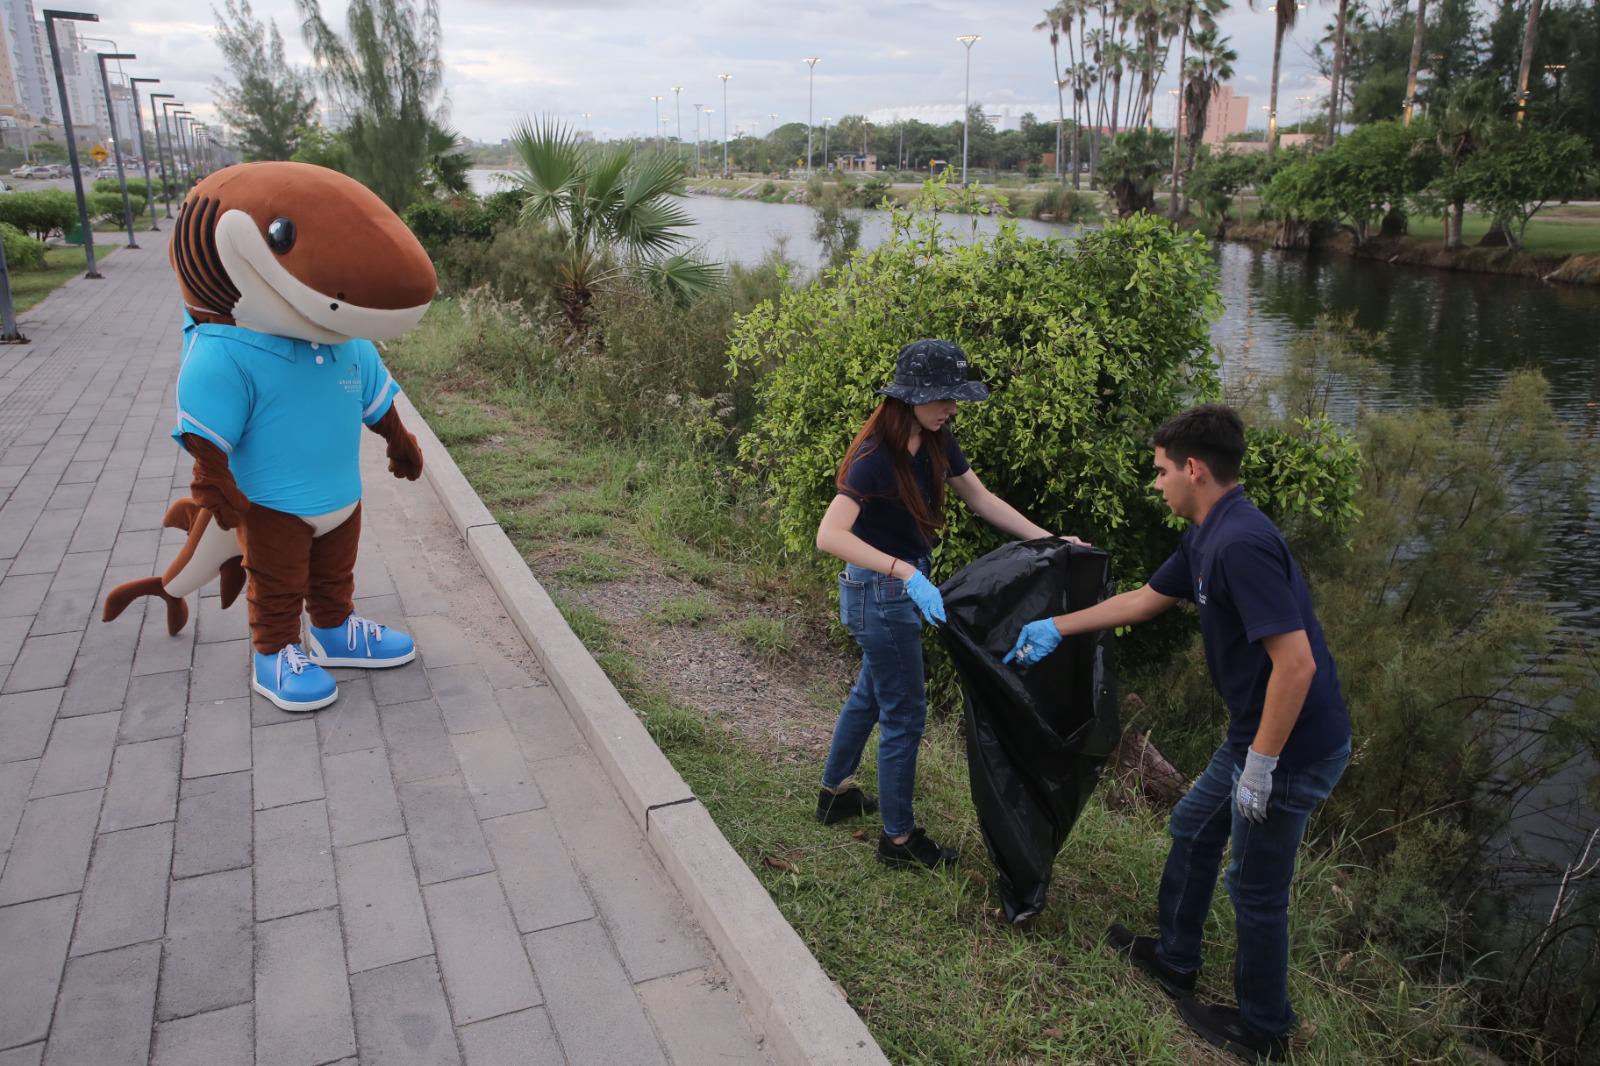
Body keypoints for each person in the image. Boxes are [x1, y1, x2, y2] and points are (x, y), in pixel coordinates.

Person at [1004, 404, 1351, 1064]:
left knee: (1254, 886)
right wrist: (1057, 628)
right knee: (1193, 827)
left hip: (1291, 749)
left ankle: (1265, 1032)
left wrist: (1263, 765)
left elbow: (1297, 663)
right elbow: (1144, 600)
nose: (1155, 483)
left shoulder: (1240, 543)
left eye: (1161, 471)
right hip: (1255, 734)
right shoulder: (1205, 531)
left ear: (1194, 469)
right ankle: (1175, 960)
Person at [815, 339, 1075, 870]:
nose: (952, 407)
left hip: (898, 589)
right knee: (905, 714)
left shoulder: (934, 438)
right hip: (880, 592)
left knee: (871, 692)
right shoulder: (874, 459)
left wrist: (1049, 540)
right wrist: (906, 572)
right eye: (942, 398)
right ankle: (899, 841)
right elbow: (829, 534)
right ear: (908, 397)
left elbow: (981, 500)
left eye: (955, 397)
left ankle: (835, 793)